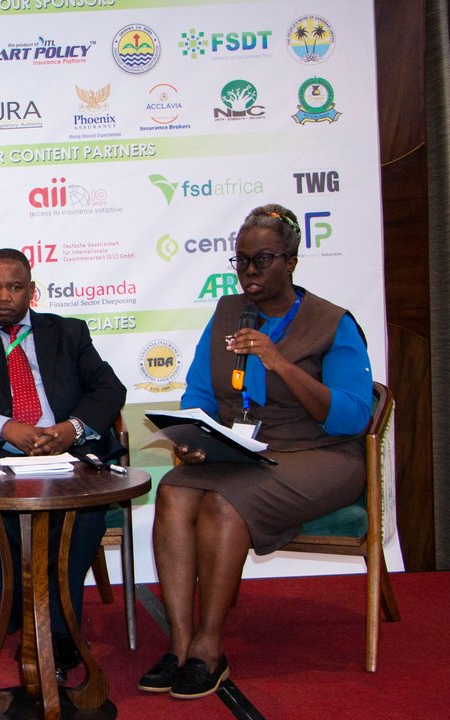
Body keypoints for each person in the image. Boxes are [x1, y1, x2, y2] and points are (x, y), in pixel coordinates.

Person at [138, 204, 372, 700]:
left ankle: (209, 649)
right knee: (174, 491)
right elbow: (201, 389)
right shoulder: (227, 312)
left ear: (290, 260)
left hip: (323, 454)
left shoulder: (333, 323)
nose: (248, 272)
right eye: (240, 260)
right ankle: (178, 645)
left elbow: (354, 416)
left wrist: (278, 361)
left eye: (261, 260)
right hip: (246, 448)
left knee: (226, 504)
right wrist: (193, 434)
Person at [0, 248, 126, 675]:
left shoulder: (69, 333)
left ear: (31, 292)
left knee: (84, 520)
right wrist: (5, 428)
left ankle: (45, 632)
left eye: (14, 287)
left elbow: (109, 389)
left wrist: (71, 429)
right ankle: (55, 626)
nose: (3, 296)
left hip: (69, 463)